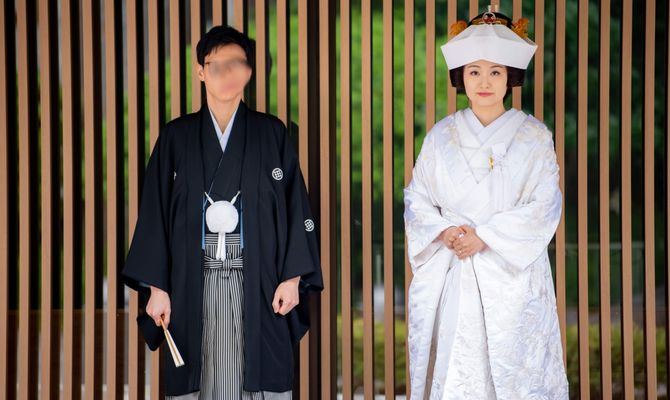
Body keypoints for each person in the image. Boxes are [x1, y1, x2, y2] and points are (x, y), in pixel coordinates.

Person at [122, 25, 323, 399]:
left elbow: (296, 207)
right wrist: (157, 287)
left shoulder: (271, 133)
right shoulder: (176, 137)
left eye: (238, 64)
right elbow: (153, 216)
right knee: (199, 375)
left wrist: (293, 278)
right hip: (191, 282)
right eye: (218, 66)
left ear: (249, 71)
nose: (228, 74)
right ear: (201, 71)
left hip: (260, 281)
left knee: (259, 373)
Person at [403, 5, 568, 398]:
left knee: (514, 375)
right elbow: (417, 197)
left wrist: (486, 236)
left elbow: (545, 203)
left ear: (510, 77)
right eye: (474, 71)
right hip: (454, 267)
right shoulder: (441, 136)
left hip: (511, 275)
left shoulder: (534, 137)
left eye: (495, 72)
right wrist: (445, 231)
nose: (484, 82)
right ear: (461, 77)